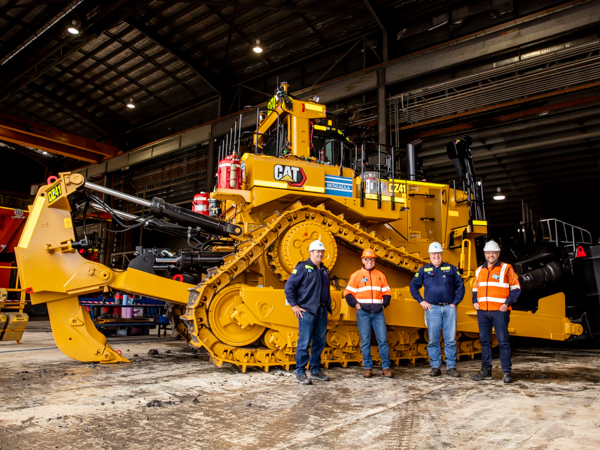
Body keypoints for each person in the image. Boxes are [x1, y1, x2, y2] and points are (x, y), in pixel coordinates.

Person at [409, 242, 465, 377]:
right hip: (432, 308)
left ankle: (451, 367)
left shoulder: (451, 269)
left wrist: (455, 303)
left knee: (450, 338)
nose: (436, 256)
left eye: (438, 254)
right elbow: (413, 286)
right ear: (429, 255)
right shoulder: (424, 270)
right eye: (433, 254)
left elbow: (461, 287)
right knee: (433, 338)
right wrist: (421, 301)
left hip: (449, 307)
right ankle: (435, 366)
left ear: (441, 254)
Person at [471, 240, 521, 384]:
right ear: (485, 254)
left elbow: (516, 288)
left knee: (503, 342)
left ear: (498, 253)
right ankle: (486, 370)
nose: (490, 255)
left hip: (500, 311)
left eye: (493, 253)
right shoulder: (479, 270)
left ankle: (506, 372)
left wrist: (507, 304)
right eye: (488, 253)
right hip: (483, 312)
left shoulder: (506, 268)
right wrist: (474, 301)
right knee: (485, 342)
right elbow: (475, 288)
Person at [284, 240, 332, 385]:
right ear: (310, 253)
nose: (320, 254)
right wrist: (294, 305)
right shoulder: (302, 268)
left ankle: (316, 370)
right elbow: (289, 287)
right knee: (304, 342)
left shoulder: (324, 270)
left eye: (322, 251)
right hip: (308, 311)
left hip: (322, 310)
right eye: (317, 251)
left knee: (320, 341)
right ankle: (300, 372)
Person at [344, 248, 393, 378]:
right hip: (363, 313)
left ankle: (386, 367)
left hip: (378, 313)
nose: (370, 262)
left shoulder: (380, 275)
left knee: (382, 340)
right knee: (365, 340)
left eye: (372, 259)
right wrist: (356, 305)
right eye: (367, 259)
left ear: (374, 261)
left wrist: (384, 305)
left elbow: (387, 293)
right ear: (363, 260)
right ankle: (368, 367)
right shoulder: (356, 276)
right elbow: (348, 294)